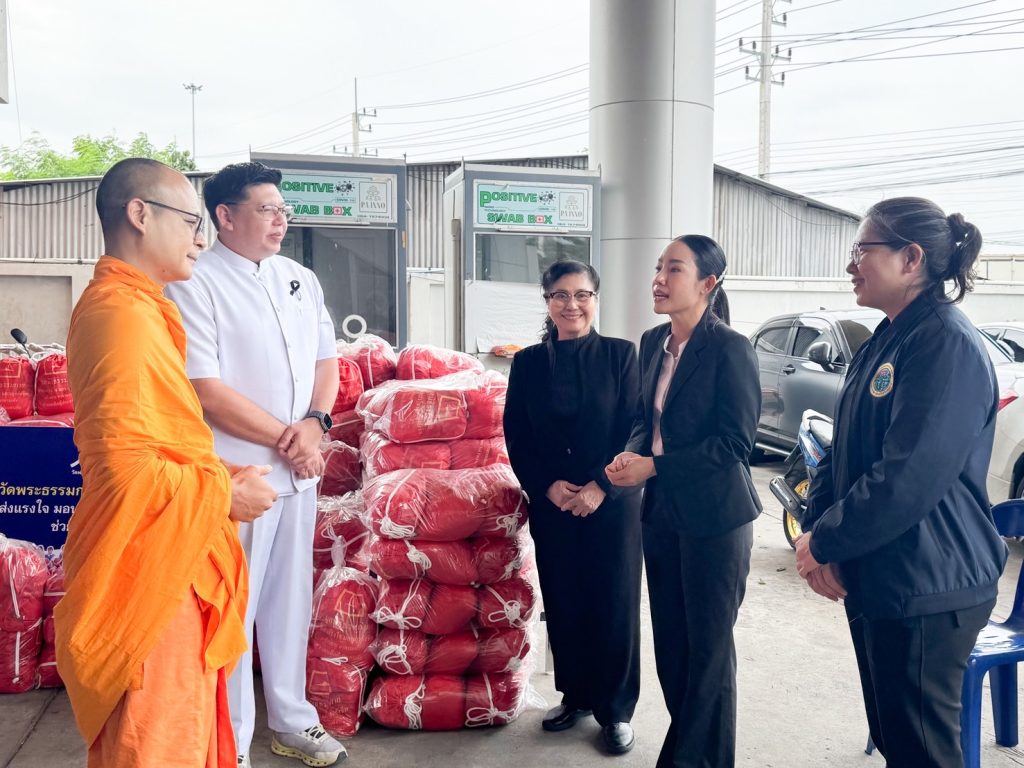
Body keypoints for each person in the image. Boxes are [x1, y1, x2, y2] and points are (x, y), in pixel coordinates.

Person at [54, 157, 278, 768]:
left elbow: (160, 444)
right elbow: (127, 472)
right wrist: (223, 495)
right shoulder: (121, 316)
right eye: (190, 221)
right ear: (139, 215)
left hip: (168, 549)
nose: (200, 239)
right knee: (157, 742)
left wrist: (220, 475)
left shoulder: (142, 308)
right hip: (148, 567)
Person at [794, 197, 1008, 768]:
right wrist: (817, 535)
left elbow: (907, 476)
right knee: (897, 739)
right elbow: (840, 453)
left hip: (929, 584)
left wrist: (825, 542)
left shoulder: (945, 343)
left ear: (911, 258)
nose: (851, 264)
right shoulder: (886, 339)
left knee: (922, 751)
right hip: (884, 575)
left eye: (863, 249)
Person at [166, 162, 344, 768]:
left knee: (291, 601)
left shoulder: (299, 278)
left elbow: (327, 362)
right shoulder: (195, 281)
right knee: (231, 611)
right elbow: (205, 388)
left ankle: (292, 719)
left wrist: (315, 427)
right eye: (267, 208)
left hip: (300, 471)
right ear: (225, 216)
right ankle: (230, 741)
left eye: (282, 208)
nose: (281, 218)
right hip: (238, 477)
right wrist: (290, 438)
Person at [606, 235, 761, 768]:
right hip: (662, 515)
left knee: (709, 653)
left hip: (718, 519)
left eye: (675, 268)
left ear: (707, 283)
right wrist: (630, 459)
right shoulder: (652, 343)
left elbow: (736, 445)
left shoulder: (730, 349)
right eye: (658, 267)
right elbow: (641, 423)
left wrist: (657, 466)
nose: (659, 278)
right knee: (673, 647)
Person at [503, 259, 642, 755]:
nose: (571, 304)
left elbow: (634, 429)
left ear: (595, 300)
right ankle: (576, 696)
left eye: (581, 294)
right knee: (564, 599)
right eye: (561, 295)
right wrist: (548, 486)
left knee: (614, 602)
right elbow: (516, 434)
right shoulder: (529, 363)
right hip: (555, 505)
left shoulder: (623, 357)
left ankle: (616, 710)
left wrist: (601, 485)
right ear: (547, 302)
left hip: (611, 502)